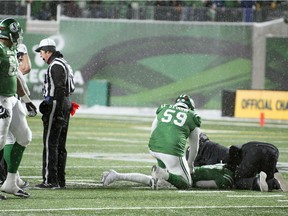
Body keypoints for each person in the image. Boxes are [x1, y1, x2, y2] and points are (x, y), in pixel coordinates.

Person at [34, 38, 75, 189]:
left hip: (57, 104)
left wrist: (56, 112)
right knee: (59, 144)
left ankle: (50, 180)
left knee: (50, 143)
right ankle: (59, 179)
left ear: (48, 51)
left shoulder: (56, 65)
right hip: (65, 103)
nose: (41, 56)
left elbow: (59, 88)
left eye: (42, 52)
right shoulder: (64, 62)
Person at [0, 17, 31, 199]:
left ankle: (10, 183)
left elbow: (16, 76)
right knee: (0, 141)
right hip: (1, 99)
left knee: (25, 136)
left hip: (11, 98)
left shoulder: (10, 48)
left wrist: (26, 99)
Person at [148, 94, 202, 190]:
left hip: (153, 147)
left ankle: (161, 173)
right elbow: (194, 146)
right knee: (186, 183)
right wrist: (190, 164)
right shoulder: (193, 116)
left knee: (162, 182)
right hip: (171, 151)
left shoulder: (164, 108)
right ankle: (163, 174)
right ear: (190, 107)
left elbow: (153, 130)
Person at [101, 163, 234, 190]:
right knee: (152, 182)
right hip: (183, 175)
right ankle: (116, 175)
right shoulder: (227, 178)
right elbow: (197, 184)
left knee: (152, 181)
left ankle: (116, 175)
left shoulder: (223, 166)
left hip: (182, 167)